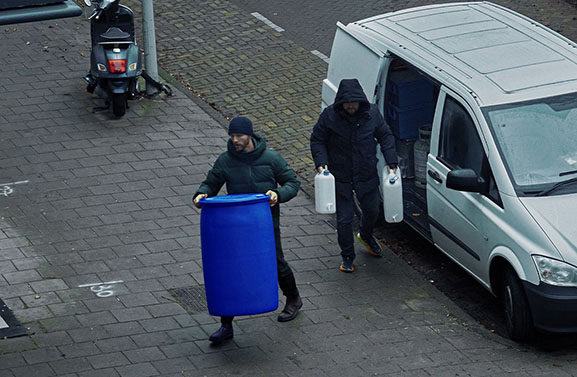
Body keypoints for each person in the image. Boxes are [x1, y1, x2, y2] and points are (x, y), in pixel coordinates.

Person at [193, 116, 302, 344]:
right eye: (232, 136)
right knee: (231, 270)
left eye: (239, 136)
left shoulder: (271, 158)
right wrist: (201, 193)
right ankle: (226, 325)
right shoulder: (225, 161)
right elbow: (211, 183)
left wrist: (278, 195)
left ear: (249, 135)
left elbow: (292, 182)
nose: (235, 140)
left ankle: (293, 299)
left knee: (276, 261)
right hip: (235, 227)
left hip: (265, 223)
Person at [310, 78, 398, 273]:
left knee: (372, 210)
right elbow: (318, 140)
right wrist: (320, 163)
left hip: (366, 172)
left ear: (360, 102)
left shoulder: (372, 114)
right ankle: (347, 256)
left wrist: (391, 160)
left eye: (354, 102)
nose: (350, 106)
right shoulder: (329, 117)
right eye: (347, 102)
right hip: (340, 175)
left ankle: (366, 235)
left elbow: (385, 135)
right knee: (344, 219)